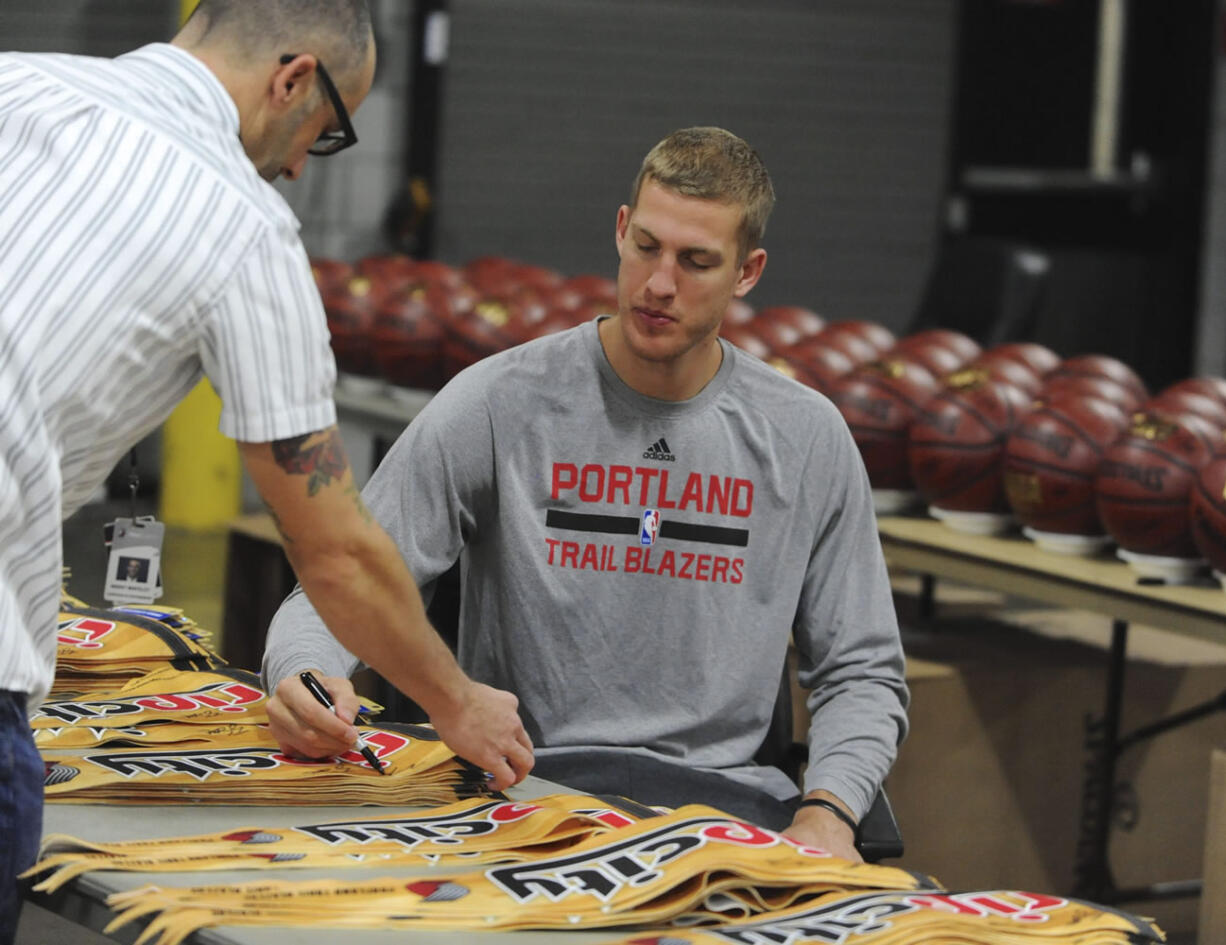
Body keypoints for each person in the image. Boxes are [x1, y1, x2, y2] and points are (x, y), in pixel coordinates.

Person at [0, 3, 530, 939]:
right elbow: (336, 553)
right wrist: (457, 703)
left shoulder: (16, 81)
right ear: (292, 79)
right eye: (322, 133)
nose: (295, 165)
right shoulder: (242, 226)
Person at [263, 126, 908, 862]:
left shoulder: (807, 437)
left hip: (728, 813)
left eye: (697, 262)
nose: (660, 284)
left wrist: (829, 811)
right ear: (621, 229)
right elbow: (342, 585)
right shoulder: (499, 402)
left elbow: (861, 670)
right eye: (647, 248)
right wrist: (303, 676)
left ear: (747, 272)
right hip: (524, 797)